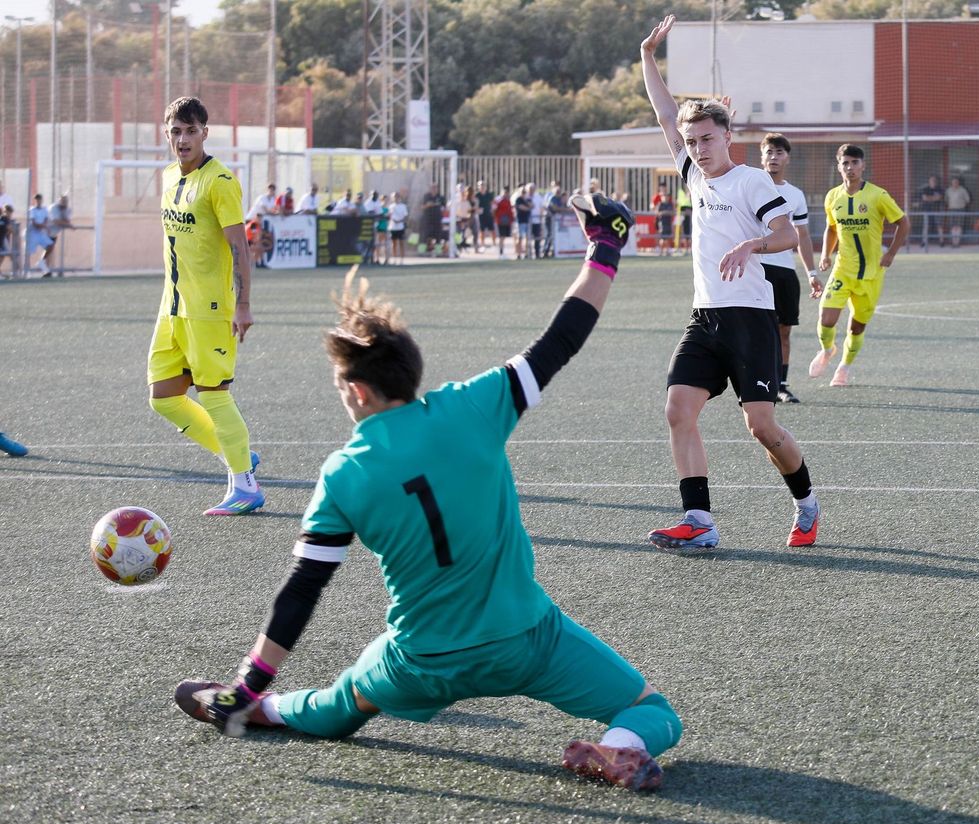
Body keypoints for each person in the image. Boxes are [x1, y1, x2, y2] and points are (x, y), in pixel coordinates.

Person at [172, 194, 682, 792]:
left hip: (420, 660)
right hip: (527, 641)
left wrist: (251, 679)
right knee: (654, 714)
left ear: (359, 391)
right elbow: (563, 336)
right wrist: (605, 245)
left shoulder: (343, 472)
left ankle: (255, 707)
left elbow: (302, 592)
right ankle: (617, 748)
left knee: (340, 707)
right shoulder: (475, 406)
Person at [639, 15, 820, 554]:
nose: (696, 148)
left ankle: (806, 502)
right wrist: (648, 55)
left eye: (707, 139)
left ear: (728, 137)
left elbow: (786, 235)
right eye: (691, 141)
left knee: (762, 427)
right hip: (706, 316)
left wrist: (751, 246)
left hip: (749, 318)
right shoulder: (694, 173)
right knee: (678, 408)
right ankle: (699, 520)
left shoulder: (752, 181)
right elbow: (666, 113)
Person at [146, 97, 262, 516]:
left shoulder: (221, 181)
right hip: (171, 308)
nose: (182, 139)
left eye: (191, 131)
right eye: (175, 131)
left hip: (210, 309)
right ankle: (238, 454)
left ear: (204, 133)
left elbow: (240, 248)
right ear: (167, 133)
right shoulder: (167, 177)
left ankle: (245, 487)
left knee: (214, 394)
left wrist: (243, 304)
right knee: (163, 397)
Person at [810, 144, 907, 387]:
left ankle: (844, 367)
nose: (850, 167)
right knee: (826, 316)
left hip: (872, 274)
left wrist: (891, 254)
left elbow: (903, 223)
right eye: (845, 163)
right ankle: (827, 349)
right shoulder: (833, 196)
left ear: (863, 165)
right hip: (843, 269)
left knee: (856, 327)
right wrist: (825, 254)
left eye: (854, 162)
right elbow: (831, 228)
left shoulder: (878, 195)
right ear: (839, 166)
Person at [759, 132, 824, 404]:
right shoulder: (751, 185)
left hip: (785, 272)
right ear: (762, 157)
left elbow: (803, 236)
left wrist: (811, 273)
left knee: (784, 330)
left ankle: (781, 385)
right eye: (769, 152)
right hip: (757, 268)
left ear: (787, 158)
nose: (774, 158)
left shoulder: (795, 194)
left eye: (779, 153)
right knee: (759, 329)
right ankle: (760, 383)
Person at [45, 194, 72, 276]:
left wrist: (65, 221)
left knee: (50, 250)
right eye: (62, 201)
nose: (64, 203)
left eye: (65, 201)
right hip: (44, 231)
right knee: (48, 250)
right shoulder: (53, 208)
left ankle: (48, 270)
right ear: (59, 201)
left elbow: (67, 221)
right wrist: (65, 223)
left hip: (53, 233)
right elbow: (55, 221)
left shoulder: (67, 209)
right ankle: (45, 269)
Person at [26, 194, 52, 277]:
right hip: (32, 233)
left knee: (50, 245)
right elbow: (34, 223)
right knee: (28, 253)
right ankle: (26, 271)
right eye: (37, 199)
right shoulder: (32, 210)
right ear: (35, 201)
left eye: (39, 199)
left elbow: (46, 219)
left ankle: (41, 262)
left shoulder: (45, 209)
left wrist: (44, 226)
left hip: (41, 233)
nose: (38, 201)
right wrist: (44, 226)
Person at [917, 175, 944, 249]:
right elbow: (924, 198)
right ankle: (924, 241)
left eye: (934, 180)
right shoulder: (925, 189)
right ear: (929, 181)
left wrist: (930, 198)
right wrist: (934, 198)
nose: (933, 181)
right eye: (931, 180)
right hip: (927, 211)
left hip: (937, 210)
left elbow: (940, 197)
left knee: (939, 226)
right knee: (926, 226)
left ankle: (941, 241)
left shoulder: (939, 189)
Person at [944, 175, 971, 247]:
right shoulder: (948, 190)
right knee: (953, 226)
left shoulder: (963, 190)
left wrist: (962, 205)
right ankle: (953, 242)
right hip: (951, 210)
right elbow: (946, 200)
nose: (955, 183)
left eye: (956, 182)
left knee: (959, 226)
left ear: (958, 183)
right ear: (951, 183)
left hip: (960, 210)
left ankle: (957, 243)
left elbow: (967, 200)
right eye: (953, 182)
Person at [514, 184, 534, 259]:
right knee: (519, 238)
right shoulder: (518, 199)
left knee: (527, 238)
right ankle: (518, 254)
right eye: (522, 192)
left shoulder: (527, 199)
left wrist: (526, 203)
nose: (523, 193)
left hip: (527, 220)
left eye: (524, 192)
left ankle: (526, 254)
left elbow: (532, 206)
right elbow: (522, 208)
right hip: (520, 221)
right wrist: (528, 208)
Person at [475, 180, 494, 253]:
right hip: (481, 215)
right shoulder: (477, 195)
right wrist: (478, 209)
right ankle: (482, 244)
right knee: (482, 230)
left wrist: (492, 211)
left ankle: (494, 244)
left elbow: (492, 203)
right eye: (480, 185)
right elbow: (475, 204)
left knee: (492, 229)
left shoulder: (489, 194)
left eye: (483, 185)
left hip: (488, 214)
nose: (482, 187)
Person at [494, 187, 514, 257]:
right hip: (501, 221)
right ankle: (501, 252)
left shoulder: (508, 201)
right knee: (501, 237)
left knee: (504, 237)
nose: (506, 194)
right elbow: (495, 211)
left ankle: (502, 251)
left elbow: (510, 211)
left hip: (507, 221)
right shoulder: (499, 201)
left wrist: (511, 220)